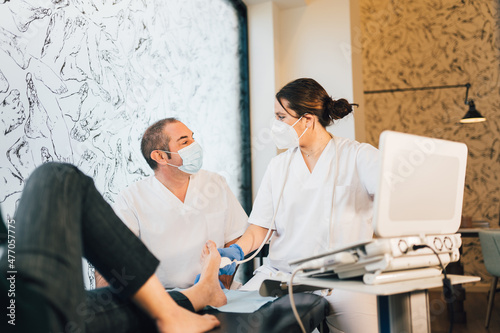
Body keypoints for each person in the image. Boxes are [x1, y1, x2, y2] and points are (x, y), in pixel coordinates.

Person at [218, 78, 380, 332]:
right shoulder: (279, 166)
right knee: (236, 326)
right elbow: (259, 228)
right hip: (281, 277)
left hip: (345, 281)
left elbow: (395, 198)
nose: (276, 125)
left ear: (307, 119)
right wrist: (235, 252)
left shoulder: (359, 156)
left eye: (281, 117)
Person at [0, 162, 225, 333]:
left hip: (12, 313)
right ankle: (177, 308)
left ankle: (199, 293)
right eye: (184, 140)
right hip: (18, 310)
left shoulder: (213, 182)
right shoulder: (134, 196)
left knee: (80, 309)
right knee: (58, 177)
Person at [97, 118, 248, 289]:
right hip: (162, 299)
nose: (195, 145)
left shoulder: (215, 183)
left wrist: (217, 285)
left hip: (217, 290)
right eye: (185, 142)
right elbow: (111, 259)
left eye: (192, 138)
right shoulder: (131, 199)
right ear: (160, 156)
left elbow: (235, 237)